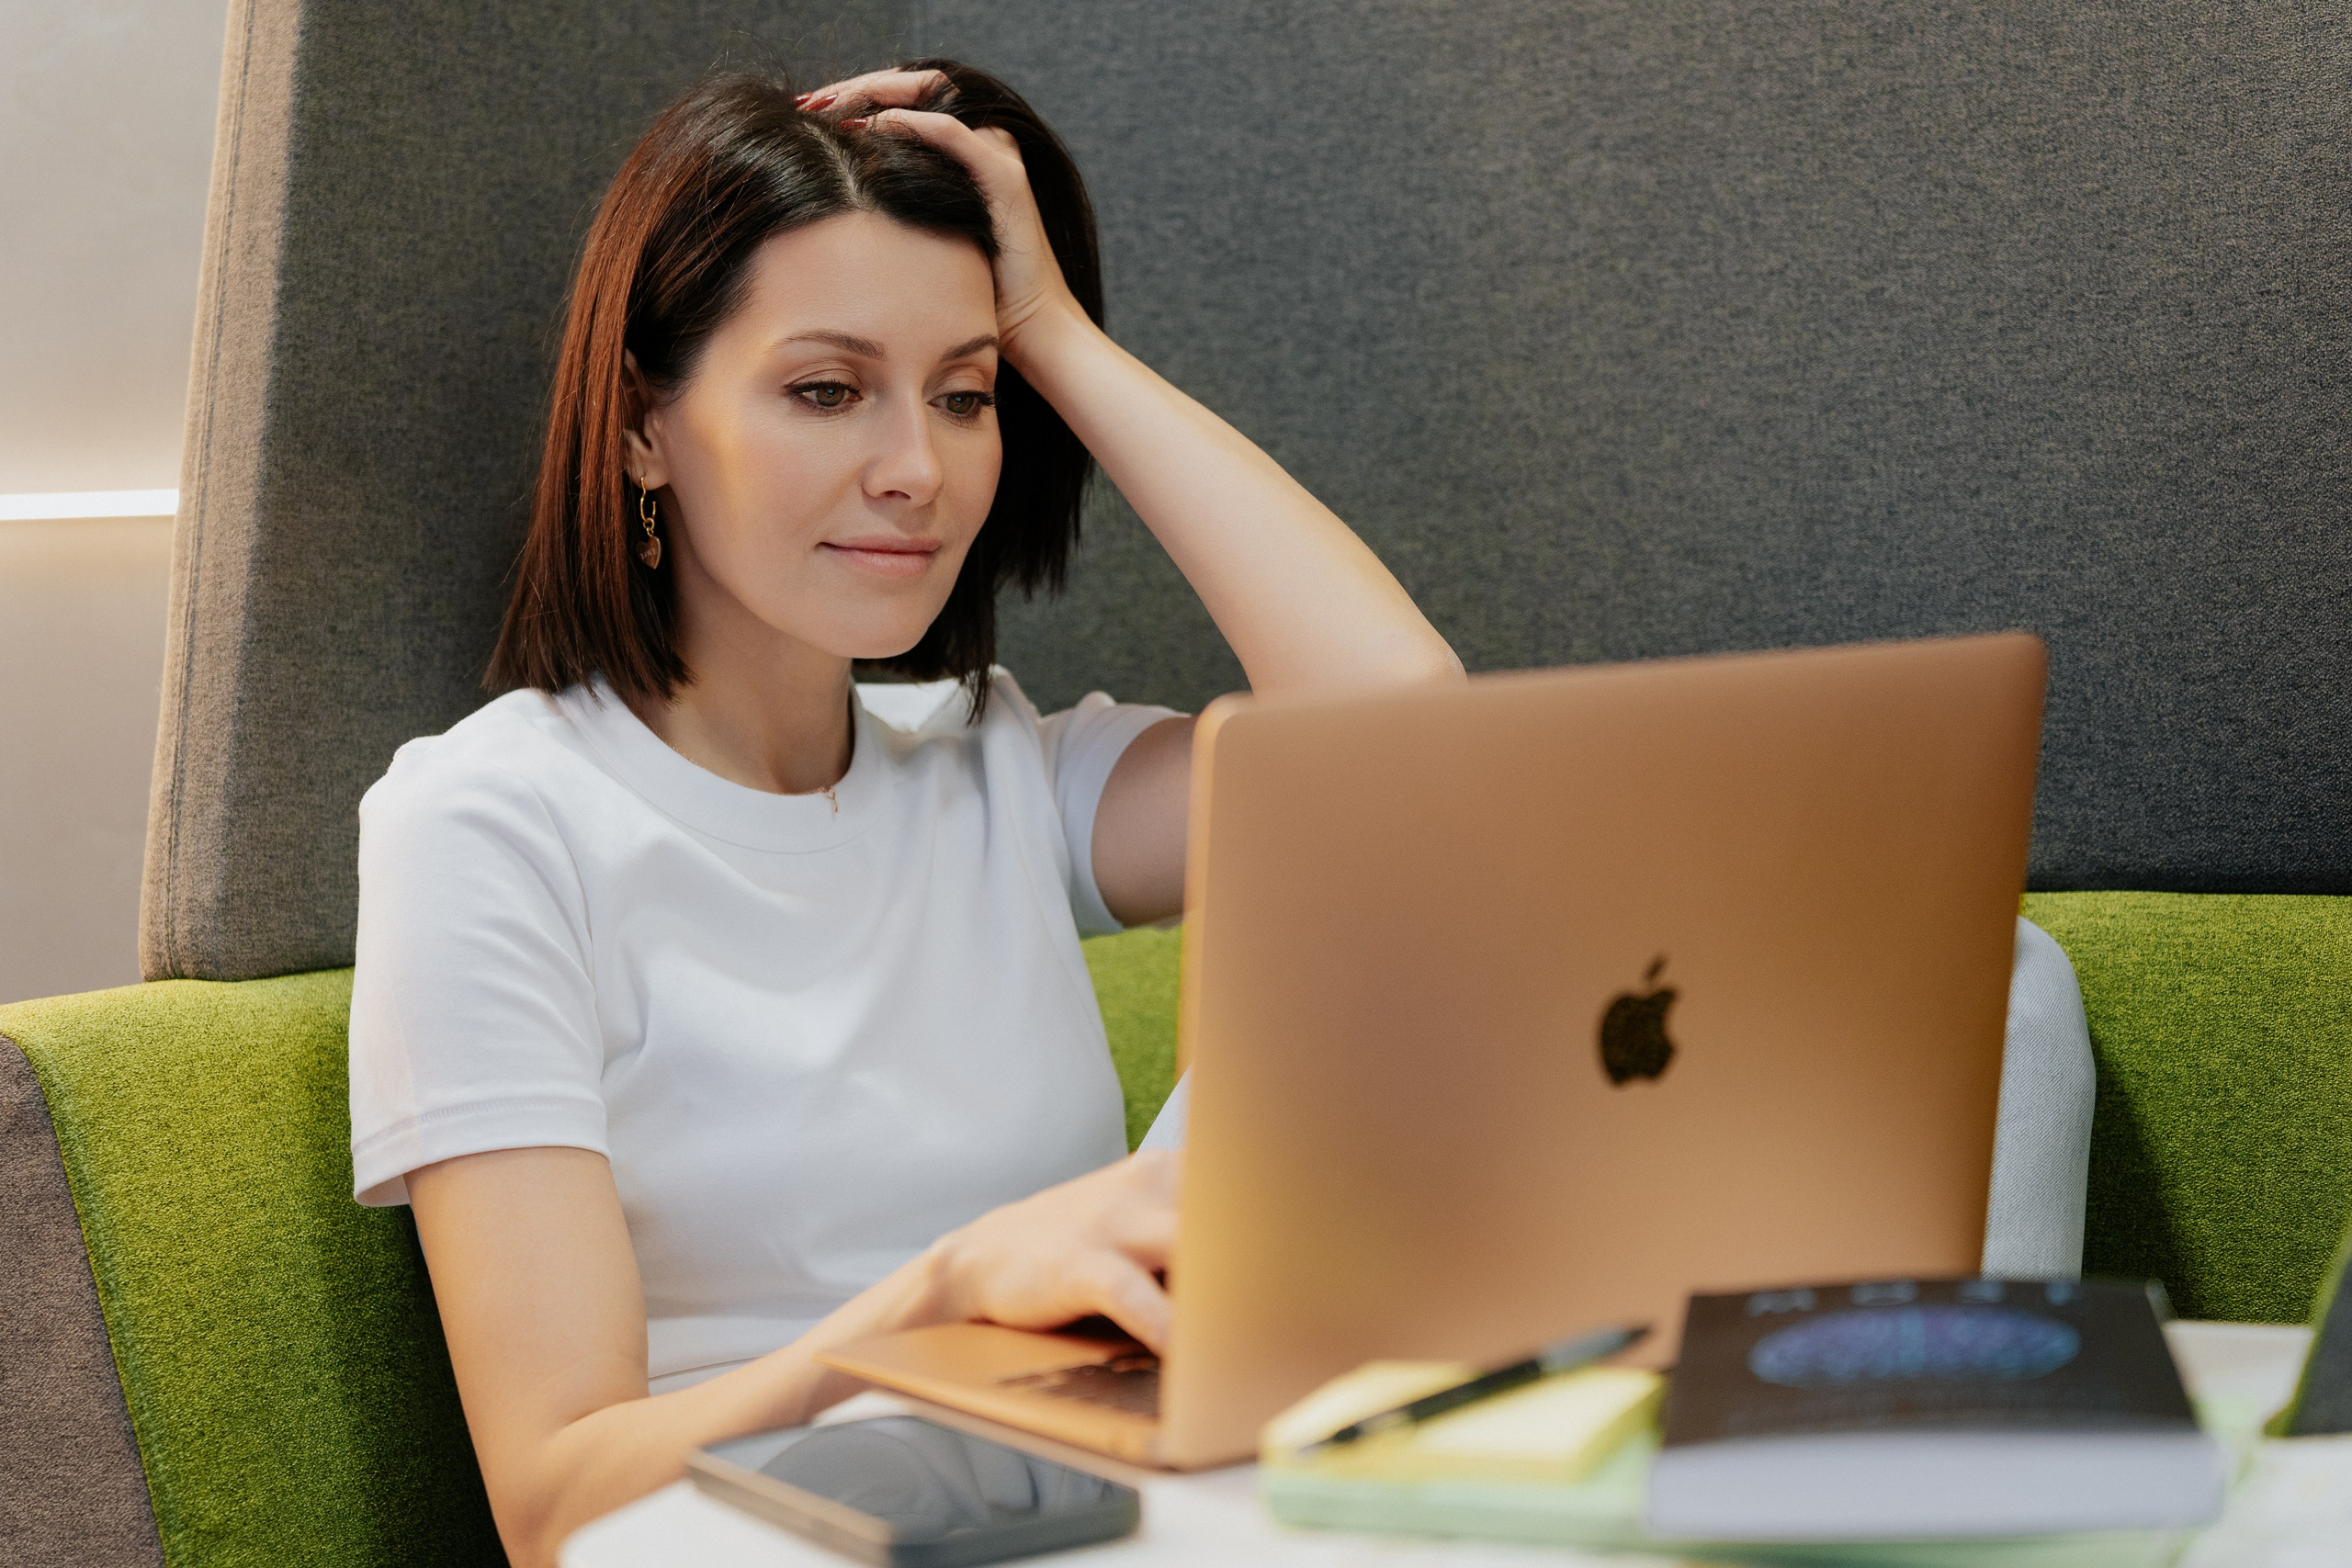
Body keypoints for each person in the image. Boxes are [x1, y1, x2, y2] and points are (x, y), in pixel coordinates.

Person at [347, 58, 2093, 1565]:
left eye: (963, 397)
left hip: (1128, 1461)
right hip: (813, 1517)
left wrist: (1055, 333)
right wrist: (946, 1295)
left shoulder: (991, 763)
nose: (919, 467)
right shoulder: (491, 821)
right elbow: (556, 1503)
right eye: (826, 389)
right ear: (645, 426)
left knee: (1987, 988)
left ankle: (1886, 1485)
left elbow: (1399, 727)